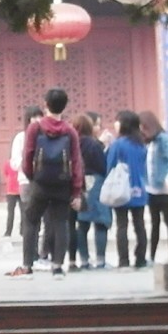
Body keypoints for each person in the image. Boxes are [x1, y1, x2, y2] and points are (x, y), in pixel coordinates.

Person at [12, 88, 82, 277]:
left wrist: (32, 176)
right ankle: (57, 265)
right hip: (62, 184)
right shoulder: (70, 131)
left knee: (31, 221)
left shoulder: (36, 128)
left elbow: (27, 155)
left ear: (46, 104)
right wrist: (76, 191)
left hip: (40, 183)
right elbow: (76, 162)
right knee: (60, 223)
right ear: (64, 106)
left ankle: (27, 264)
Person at [102, 110, 152, 268]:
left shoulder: (117, 144)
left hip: (121, 189)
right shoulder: (141, 144)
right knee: (140, 225)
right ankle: (141, 259)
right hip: (139, 189)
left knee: (122, 225)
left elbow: (109, 166)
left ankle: (124, 261)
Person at [73, 113, 109, 268]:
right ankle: (100, 260)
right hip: (96, 183)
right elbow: (103, 167)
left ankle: (84, 260)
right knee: (100, 223)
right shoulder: (94, 145)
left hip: (79, 184)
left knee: (82, 224)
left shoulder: (72, 144)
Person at [141, 110, 168, 247]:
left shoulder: (164, 140)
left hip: (165, 189)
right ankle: (152, 255)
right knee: (154, 223)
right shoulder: (147, 142)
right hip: (151, 189)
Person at [3, 111, 31, 239]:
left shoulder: (9, 163)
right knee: (17, 212)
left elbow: (6, 174)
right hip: (15, 189)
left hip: (15, 189)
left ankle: (18, 231)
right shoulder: (10, 163)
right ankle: (13, 231)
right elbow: (7, 173)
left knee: (21, 212)